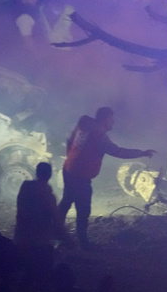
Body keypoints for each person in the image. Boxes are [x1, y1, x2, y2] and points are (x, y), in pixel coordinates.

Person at [57, 107, 157, 250]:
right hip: (80, 176)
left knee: (66, 202)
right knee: (83, 209)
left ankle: (56, 233)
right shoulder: (98, 135)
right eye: (111, 120)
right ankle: (83, 243)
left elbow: (69, 140)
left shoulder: (84, 125)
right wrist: (141, 153)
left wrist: (72, 158)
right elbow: (117, 151)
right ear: (105, 120)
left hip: (69, 169)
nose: (113, 123)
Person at [15, 161, 59, 281]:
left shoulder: (25, 188)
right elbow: (56, 219)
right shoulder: (48, 195)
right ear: (49, 175)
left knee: (26, 270)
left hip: (22, 236)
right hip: (39, 240)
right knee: (42, 273)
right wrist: (69, 240)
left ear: (36, 173)